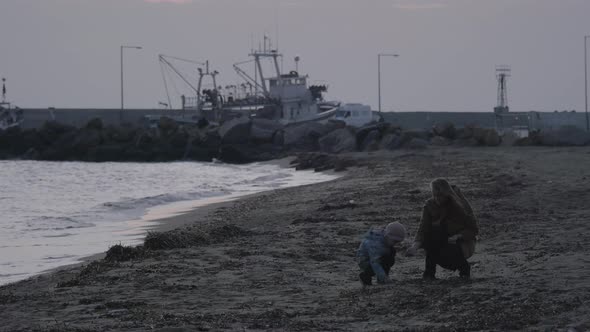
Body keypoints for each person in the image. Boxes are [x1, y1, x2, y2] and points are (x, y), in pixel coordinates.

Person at [406, 178, 479, 279]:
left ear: (447, 194)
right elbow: (423, 229)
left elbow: (474, 230)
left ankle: (464, 268)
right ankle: (429, 273)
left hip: (462, 243)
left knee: (445, 247)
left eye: (440, 196)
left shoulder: (460, 204)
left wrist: (458, 236)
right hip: (441, 241)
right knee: (430, 238)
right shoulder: (429, 205)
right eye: (434, 195)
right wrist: (414, 247)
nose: (437, 199)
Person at [357, 221, 407, 286]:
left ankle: (383, 277)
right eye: (394, 241)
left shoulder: (385, 238)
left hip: (376, 258)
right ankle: (365, 276)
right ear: (387, 235)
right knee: (382, 261)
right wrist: (383, 278)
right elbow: (374, 262)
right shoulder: (375, 245)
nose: (395, 244)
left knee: (390, 255)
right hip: (365, 261)